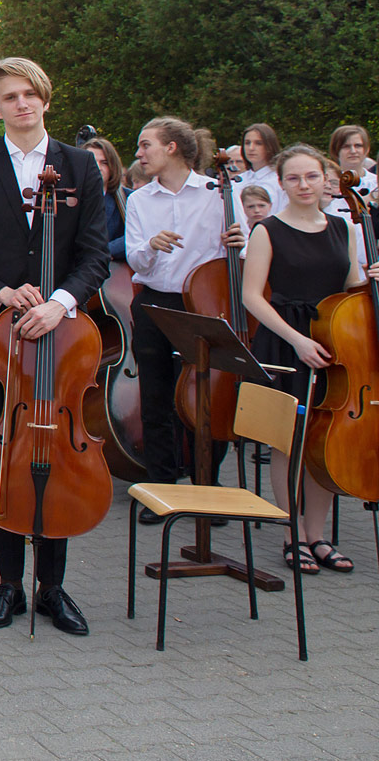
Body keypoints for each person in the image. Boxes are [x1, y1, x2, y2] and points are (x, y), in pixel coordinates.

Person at [0, 58, 110, 636]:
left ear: (45, 99)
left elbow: (95, 255)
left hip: (64, 340)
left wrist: (59, 302)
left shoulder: (80, 167)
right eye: (10, 97)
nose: (22, 105)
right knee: (6, 453)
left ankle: (53, 588)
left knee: (59, 453)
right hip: (2, 338)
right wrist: (3, 292)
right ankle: (9, 584)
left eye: (31, 94)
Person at [241, 143, 378, 576]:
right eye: (295, 178)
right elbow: (251, 297)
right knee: (289, 440)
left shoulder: (344, 227)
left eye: (312, 177)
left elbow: (350, 286)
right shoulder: (268, 230)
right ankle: (291, 534)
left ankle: (318, 536)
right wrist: (297, 339)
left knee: (325, 440)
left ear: (326, 180)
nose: (304, 185)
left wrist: (370, 279)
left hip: (333, 343)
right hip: (288, 342)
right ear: (281, 183)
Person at [125, 116, 246, 490]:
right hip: (156, 303)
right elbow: (135, 259)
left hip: (205, 306)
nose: (139, 153)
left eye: (146, 145)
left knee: (205, 399)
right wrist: (151, 247)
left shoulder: (219, 191)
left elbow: (246, 250)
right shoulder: (140, 200)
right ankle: (161, 482)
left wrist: (242, 243)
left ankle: (206, 482)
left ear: (171, 147)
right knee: (156, 397)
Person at [84, 136, 128, 256]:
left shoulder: (130, 198)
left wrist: (103, 253)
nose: (98, 167)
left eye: (104, 163)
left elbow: (135, 236)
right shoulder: (68, 199)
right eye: (92, 162)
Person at [326, 124, 376, 220]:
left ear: (366, 149)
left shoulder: (375, 183)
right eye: (346, 146)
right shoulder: (327, 183)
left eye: (358, 146)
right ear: (336, 150)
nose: (353, 151)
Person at [237, 123, 285, 214]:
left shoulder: (278, 181)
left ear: (270, 146)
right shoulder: (238, 181)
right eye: (247, 143)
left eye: (258, 143)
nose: (251, 148)